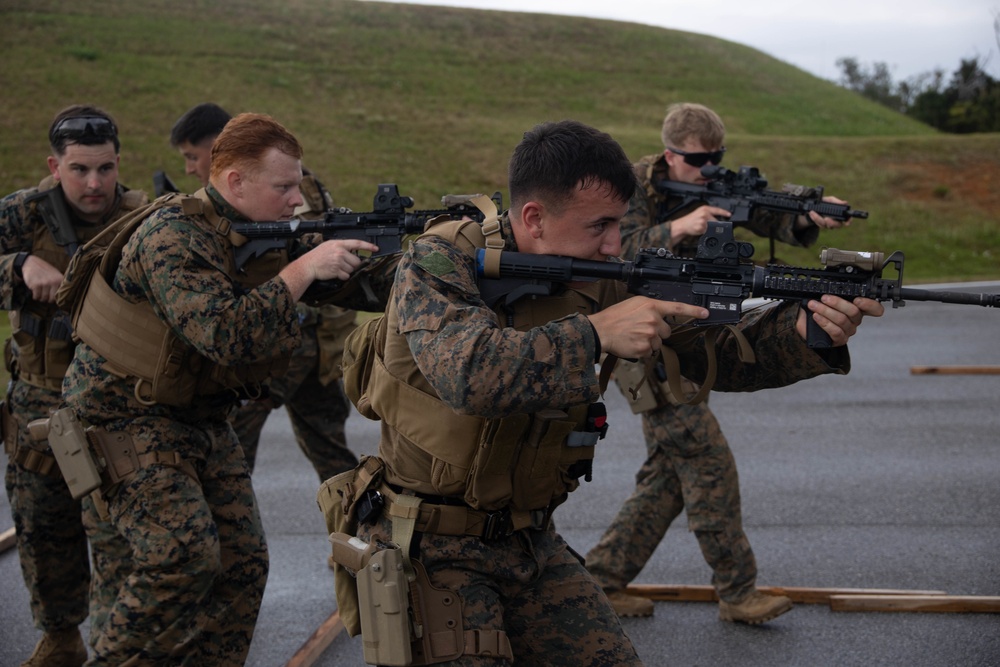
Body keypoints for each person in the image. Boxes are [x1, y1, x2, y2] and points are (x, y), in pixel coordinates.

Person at [340, 119, 882, 665]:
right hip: (431, 547)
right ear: (534, 218)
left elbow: (713, 351)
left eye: (619, 224)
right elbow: (469, 375)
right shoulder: (437, 261)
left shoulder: (601, 273)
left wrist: (807, 332)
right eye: (599, 225)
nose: (615, 245)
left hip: (528, 540)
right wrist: (596, 333)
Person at [61, 113, 383, 666]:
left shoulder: (264, 234)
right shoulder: (171, 237)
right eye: (282, 187)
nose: (294, 199)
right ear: (235, 182)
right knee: (181, 557)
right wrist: (303, 270)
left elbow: (358, 283)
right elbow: (226, 334)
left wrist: (436, 267)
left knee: (242, 565)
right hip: (122, 420)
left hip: (200, 421)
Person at [584, 102, 863, 623]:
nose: (710, 169)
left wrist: (806, 213)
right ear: (670, 155)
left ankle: (600, 581)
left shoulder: (714, 182)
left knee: (670, 476)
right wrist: (679, 228)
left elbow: (760, 210)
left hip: (689, 334)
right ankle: (738, 592)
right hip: (638, 340)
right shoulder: (629, 187)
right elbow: (611, 254)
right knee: (706, 460)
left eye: (718, 158)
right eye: (698, 161)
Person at [1, 105, 148, 667]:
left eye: (106, 169)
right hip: (39, 403)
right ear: (54, 165)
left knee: (117, 537)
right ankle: (61, 637)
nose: (94, 184)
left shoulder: (141, 217)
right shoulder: (22, 214)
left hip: (116, 407)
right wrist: (17, 267)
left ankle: (116, 648)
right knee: (44, 528)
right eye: (80, 169)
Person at [169, 103, 358, 482]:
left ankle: (358, 532)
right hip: (289, 338)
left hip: (295, 342)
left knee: (237, 447)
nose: (190, 167)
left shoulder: (282, 194)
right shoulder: (190, 226)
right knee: (327, 455)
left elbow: (309, 254)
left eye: (194, 156)